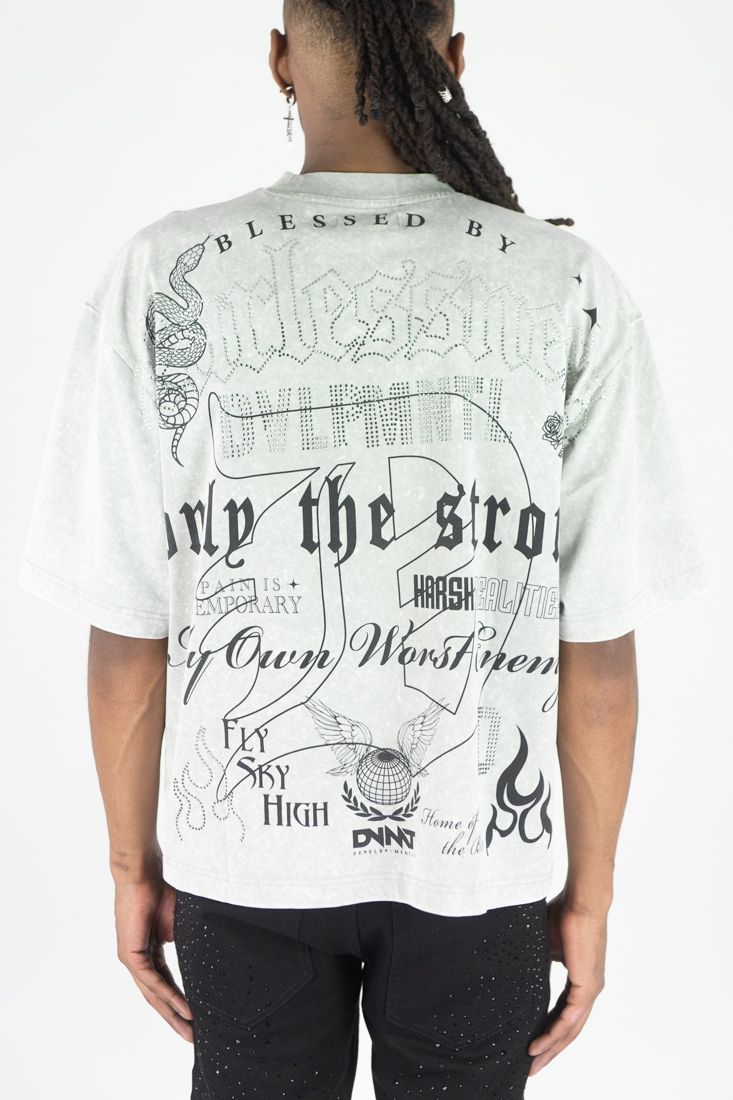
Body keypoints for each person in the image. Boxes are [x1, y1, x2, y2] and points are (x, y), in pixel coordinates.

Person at [19, 1, 710, 1097]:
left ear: (280, 60)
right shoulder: (563, 282)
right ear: (454, 58)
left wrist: (128, 864)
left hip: (245, 861)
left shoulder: (165, 274)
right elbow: (598, 649)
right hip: (478, 867)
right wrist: (590, 893)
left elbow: (129, 632)